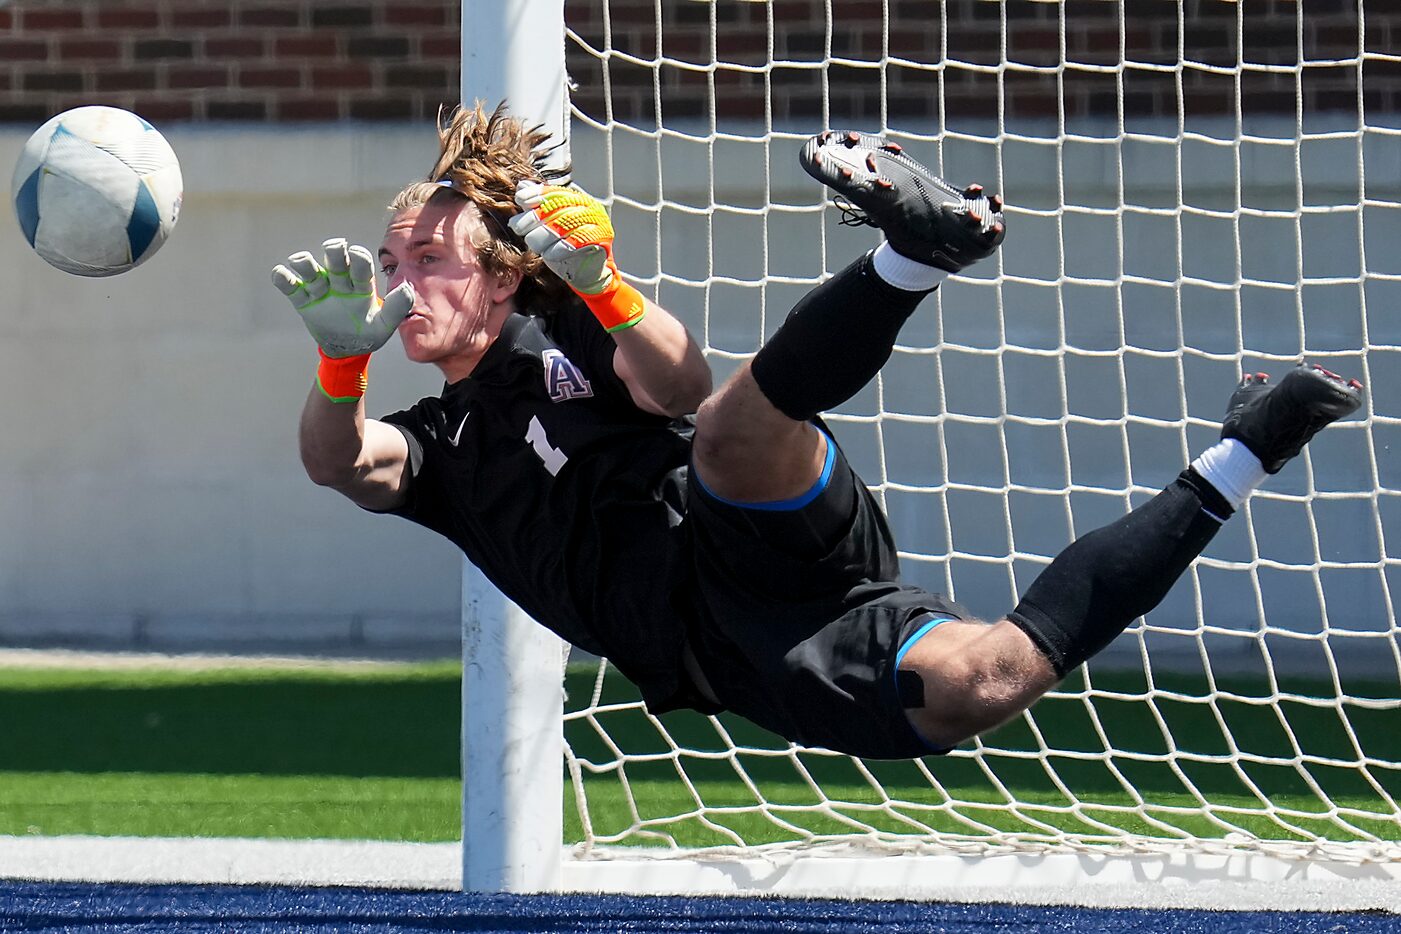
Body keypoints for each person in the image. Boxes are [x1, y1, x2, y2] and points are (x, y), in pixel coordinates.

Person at [272, 103, 1363, 760]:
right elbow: (340, 460)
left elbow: (678, 380)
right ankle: (1251, 444)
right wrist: (338, 361)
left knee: (724, 435)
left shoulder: (557, 327)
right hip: (740, 649)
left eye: (429, 260)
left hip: (740, 528)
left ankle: (912, 255)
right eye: (389, 262)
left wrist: (603, 287)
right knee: (981, 683)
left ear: (503, 281)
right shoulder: (441, 445)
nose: (399, 280)